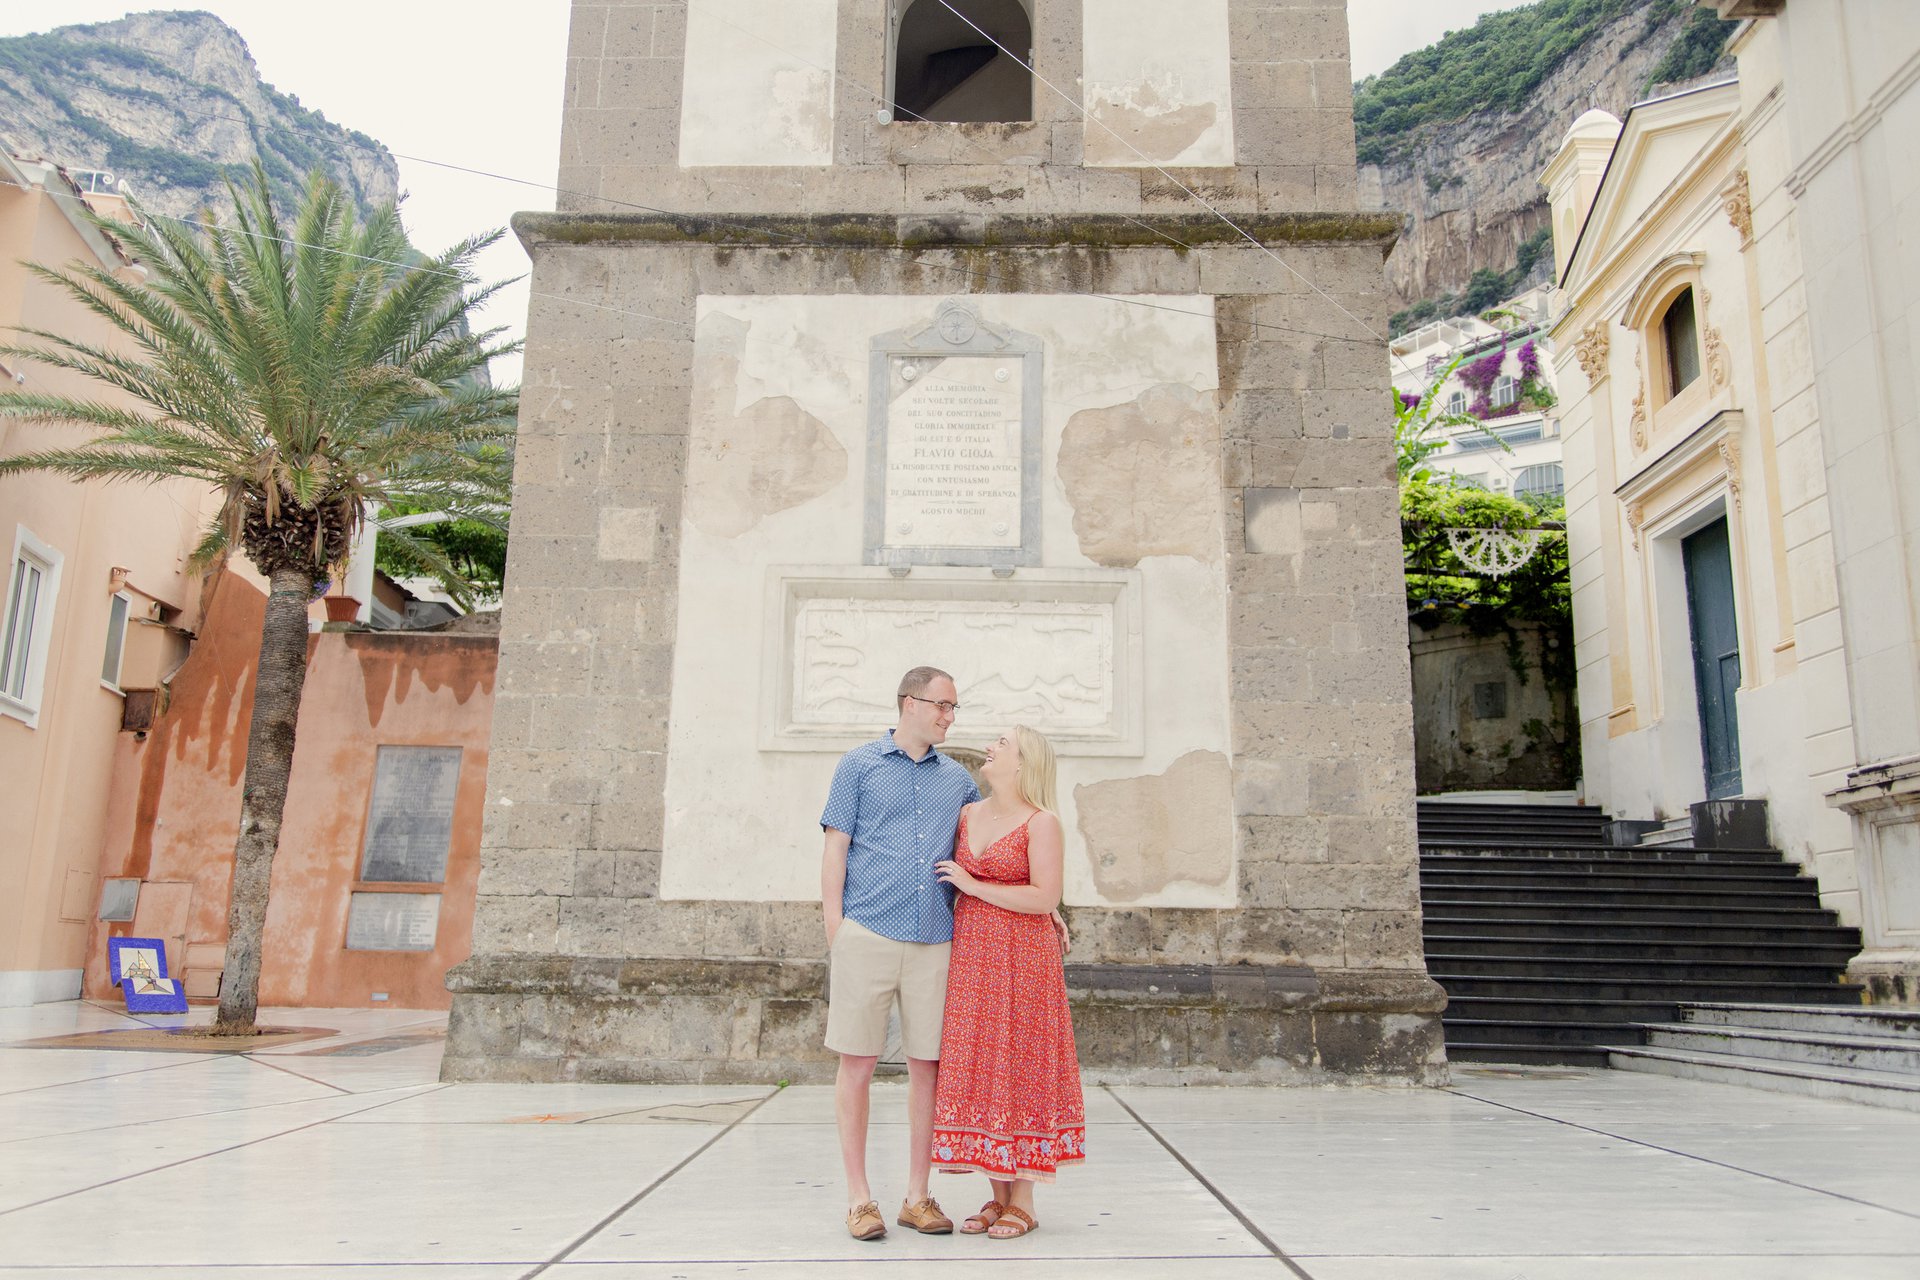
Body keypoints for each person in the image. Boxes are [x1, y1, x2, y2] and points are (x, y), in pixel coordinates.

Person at [819, 666, 977, 1242]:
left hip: (935, 938)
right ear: (910, 703)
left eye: (954, 708)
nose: (949, 716)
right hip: (867, 932)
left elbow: (983, 848)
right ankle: (860, 1199)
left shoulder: (959, 780)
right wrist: (837, 929)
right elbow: (836, 847)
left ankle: (918, 1194)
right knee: (856, 1064)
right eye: (942, 705)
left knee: (926, 1067)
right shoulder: (857, 765)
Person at [930, 724, 1086, 1240]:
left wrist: (975, 885)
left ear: (1022, 763)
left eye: (1002, 743)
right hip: (974, 959)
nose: (991, 747)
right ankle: (997, 1194)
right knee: (983, 1065)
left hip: (1024, 962)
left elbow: (1044, 899)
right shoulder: (967, 814)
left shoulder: (1042, 823)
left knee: (1021, 1064)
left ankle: (1025, 1199)